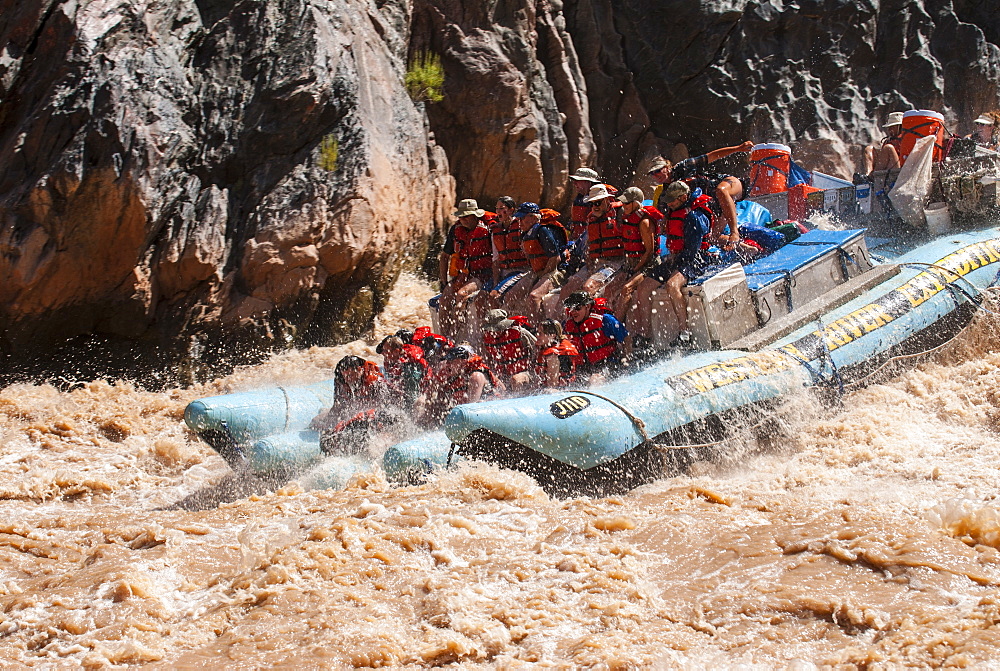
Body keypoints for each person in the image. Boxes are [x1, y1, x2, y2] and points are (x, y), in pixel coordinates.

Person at [649, 141, 753, 251]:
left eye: (658, 171)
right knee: (711, 238)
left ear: (667, 167)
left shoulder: (684, 167)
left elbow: (712, 156)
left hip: (729, 184)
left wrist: (738, 148)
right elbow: (663, 219)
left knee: (720, 190)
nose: (656, 175)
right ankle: (748, 249)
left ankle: (734, 232)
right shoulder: (666, 194)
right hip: (716, 206)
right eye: (652, 173)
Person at [652, 181, 713, 349]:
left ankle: (684, 333)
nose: (669, 204)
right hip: (677, 258)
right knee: (645, 285)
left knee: (672, 285)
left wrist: (674, 262)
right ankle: (645, 336)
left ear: (684, 197)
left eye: (673, 200)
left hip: (696, 260)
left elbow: (692, 253)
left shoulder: (694, 216)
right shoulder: (674, 212)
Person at [309, 356, 393, 454]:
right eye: (345, 376)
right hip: (358, 416)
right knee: (316, 421)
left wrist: (364, 415)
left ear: (359, 370)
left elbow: (387, 408)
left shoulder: (375, 382)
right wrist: (328, 421)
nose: (347, 379)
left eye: (350, 376)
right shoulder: (341, 380)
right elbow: (338, 406)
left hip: (380, 416)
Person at [558, 183, 625, 307]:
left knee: (588, 287)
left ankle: (595, 323)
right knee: (566, 290)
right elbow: (589, 244)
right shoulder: (591, 219)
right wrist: (589, 262)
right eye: (591, 204)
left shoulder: (620, 214)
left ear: (607, 200)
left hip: (615, 263)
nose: (594, 207)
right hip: (594, 263)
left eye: (598, 203)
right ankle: (559, 324)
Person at [438, 198, 493, 343]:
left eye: (466, 216)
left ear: (475, 216)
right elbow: (444, 257)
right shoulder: (456, 230)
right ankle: (444, 339)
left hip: (483, 275)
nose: (462, 219)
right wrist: (443, 282)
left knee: (461, 295)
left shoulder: (488, 230)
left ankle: (453, 338)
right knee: (444, 299)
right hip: (463, 274)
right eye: (460, 216)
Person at [611, 187, 662, 319]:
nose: (624, 205)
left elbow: (650, 252)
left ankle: (618, 326)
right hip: (631, 263)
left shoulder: (644, 222)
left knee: (626, 288)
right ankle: (606, 323)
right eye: (623, 203)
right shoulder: (627, 219)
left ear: (636, 203)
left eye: (627, 203)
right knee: (610, 288)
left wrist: (636, 269)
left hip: (648, 264)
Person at [421, 346, 505, 424]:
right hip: (461, 412)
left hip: (487, 412)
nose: (447, 364)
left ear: (463, 361)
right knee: (423, 402)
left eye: (451, 361)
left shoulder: (476, 376)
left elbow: (471, 409)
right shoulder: (448, 374)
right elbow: (429, 394)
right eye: (447, 361)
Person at [516, 204, 569, 323]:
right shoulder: (527, 234)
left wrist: (543, 275)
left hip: (556, 270)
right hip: (539, 272)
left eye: (522, 218)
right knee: (513, 295)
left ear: (534, 217)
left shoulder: (543, 231)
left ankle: (539, 329)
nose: (519, 222)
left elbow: (555, 258)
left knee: (534, 296)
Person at [562, 291, 628, 383]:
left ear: (587, 306)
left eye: (577, 308)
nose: (573, 312)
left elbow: (626, 338)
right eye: (571, 309)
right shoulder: (567, 325)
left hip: (607, 365)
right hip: (582, 368)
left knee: (594, 380)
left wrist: (627, 359)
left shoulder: (605, 320)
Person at [487, 196, 532, 309]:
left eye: (502, 208)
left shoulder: (521, 227)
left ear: (511, 210)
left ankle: (500, 324)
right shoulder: (495, 231)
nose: (498, 212)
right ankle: (485, 326)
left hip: (521, 271)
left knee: (494, 295)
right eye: (496, 209)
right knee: (481, 297)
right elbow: (496, 261)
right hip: (504, 272)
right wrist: (496, 282)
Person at [481, 309, 537, 390]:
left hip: (526, 372)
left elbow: (538, 348)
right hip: (502, 375)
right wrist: (495, 378)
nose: (496, 331)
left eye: (499, 328)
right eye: (493, 329)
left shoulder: (520, 332)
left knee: (516, 379)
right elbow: (486, 360)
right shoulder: (486, 339)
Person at [376, 333, 431, 410]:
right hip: (406, 392)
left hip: (423, 394)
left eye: (385, 350)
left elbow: (412, 395)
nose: (383, 353)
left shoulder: (410, 367)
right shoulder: (392, 361)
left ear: (396, 351)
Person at [534, 319, 581, 389]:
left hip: (562, 389)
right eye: (537, 332)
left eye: (540, 333)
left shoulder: (552, 355)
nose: (536, 335)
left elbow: (552, 385)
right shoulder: (545, 346)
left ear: (552, 335)